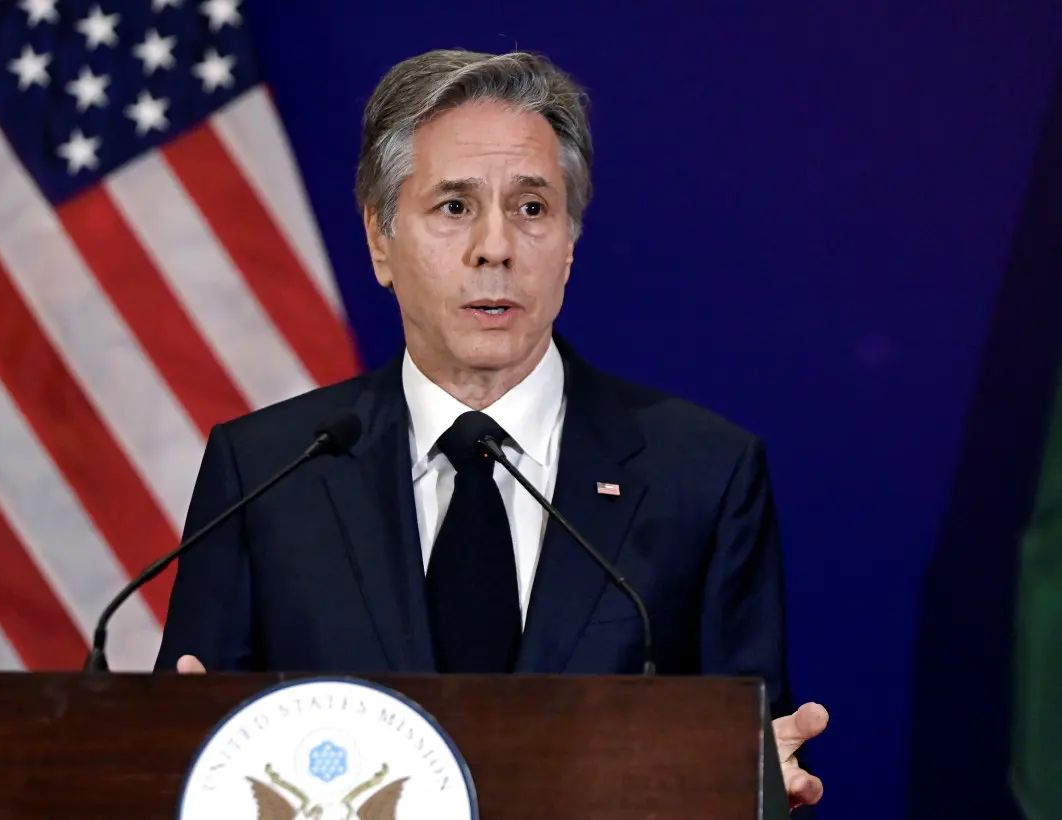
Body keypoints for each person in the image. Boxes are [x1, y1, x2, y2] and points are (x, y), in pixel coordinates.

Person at [155, 48, 827, 810]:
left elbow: (746, 763)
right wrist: (174, 747)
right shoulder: (267, 471)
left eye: (532, 208)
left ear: (570, 241)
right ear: (381, 239)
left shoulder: (701, 475)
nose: (496, 248)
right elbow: (188, 756)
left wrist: (755, 784)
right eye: (454, 207)